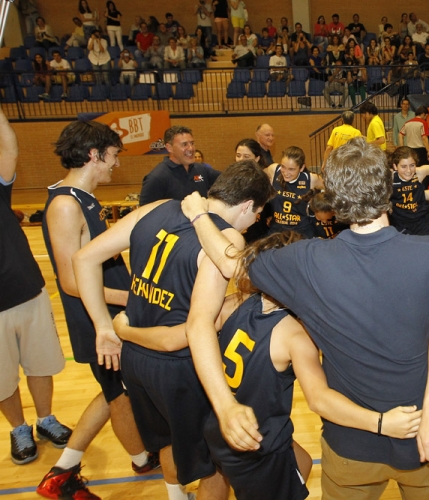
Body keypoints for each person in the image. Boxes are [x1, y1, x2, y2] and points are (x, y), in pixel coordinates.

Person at [181, 136, 429, 500]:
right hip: (422, 442)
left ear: (334, 201)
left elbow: (231, 264)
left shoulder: (305, 261)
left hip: (349, 448)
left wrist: (200, 216)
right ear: (388, 191)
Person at [73, 161, 274, 500]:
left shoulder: (157, 208)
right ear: (246, 205)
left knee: (167, 442)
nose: (255, 221)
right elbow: (198, 326)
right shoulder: (226, 238)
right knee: (216, 463)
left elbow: (83, 259)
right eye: (257, 214)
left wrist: (104, 326)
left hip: (135, 359)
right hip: (177, 367)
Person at [172, 230, 422, 500]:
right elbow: (319, 399)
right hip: (257, 445)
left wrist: (135, 335)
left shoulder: (235, 303)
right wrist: (382, 423)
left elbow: (180, 336)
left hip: (218, 424)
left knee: (301, 461)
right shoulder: (295, 335)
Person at [38, 121, 158, 500]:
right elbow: (71, 282)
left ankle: (137, 458)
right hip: (96, 318)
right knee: (118, 393)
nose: (116, 164)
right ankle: (64, 473)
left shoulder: (84, 198)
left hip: (110, 313)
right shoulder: (65, 205)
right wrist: (132, 297)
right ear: (95, 155)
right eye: (113, 156)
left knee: (117, 391)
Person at [0, 108, 71, 468]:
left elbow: (9, 148)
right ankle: (18, 429)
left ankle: (45, 419)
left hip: (28, 290)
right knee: (2, 377)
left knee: (40, 363)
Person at [140, 126, 221, 205]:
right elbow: (144, 212)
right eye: (184, 144)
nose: (191, 148)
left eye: (192, 143)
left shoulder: (201, 169)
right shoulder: (157, 178)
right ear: (169, 148)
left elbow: (226, 180)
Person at [264, 147, 324, 239]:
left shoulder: (311, 179)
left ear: (301, 168)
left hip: (302, 233)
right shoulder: (273, 170)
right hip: (277, 232)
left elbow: (331, 190)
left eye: (291, 169)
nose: (286, 172)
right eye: (283, 167)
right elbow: (257, 177)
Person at [388, 146, 429, 235]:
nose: (408, 170)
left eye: (412, 165)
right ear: (395, 166)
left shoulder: (419, 173)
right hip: (400, 223)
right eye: (403, 166)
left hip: (422, 221)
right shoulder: (390, 179)